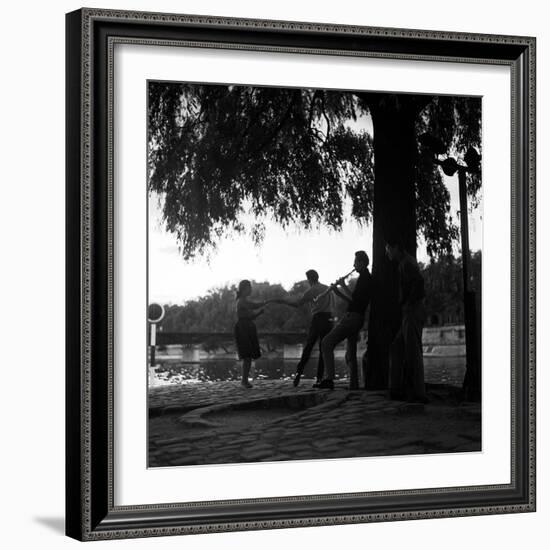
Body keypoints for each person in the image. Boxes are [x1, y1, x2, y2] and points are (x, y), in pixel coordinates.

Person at [317, 251, 373, 390]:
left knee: (326, 343)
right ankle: (353, 384)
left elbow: (355, 299)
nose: (353, 265)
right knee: (351, 353)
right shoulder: (364, 277)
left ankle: (329, 379)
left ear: (361, 262)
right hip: (356, 317)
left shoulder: (365, 278)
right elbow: (354, 301)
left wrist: (343, 285)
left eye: (355, 262)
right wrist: (338, 292)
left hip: (352, 318)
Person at [274, 269, 334, 387]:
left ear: (309, 279)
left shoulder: (311, 291)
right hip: (328, 319)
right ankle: (319, 378)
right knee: (324, 348)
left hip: (318, 319)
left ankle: (298, 374)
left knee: (309, 347)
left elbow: (297, 304)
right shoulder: (327, 288)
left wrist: (282, 301)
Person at [385, 239, 428, 403]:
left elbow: (419, 283)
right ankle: (397, 389)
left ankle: (418, 394)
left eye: (388, 248)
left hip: (412, 311)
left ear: (396, 247)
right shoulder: (405, 262)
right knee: (397, 348)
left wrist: (409, 304)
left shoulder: (406, 263)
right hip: (409, 311)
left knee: (413, 352)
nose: (387, 253)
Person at [234, 280, 268, 388]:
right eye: (249, 288)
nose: (251, 290)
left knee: (248, 355)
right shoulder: (242, 301)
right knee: (247, 355)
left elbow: (252, 315)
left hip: (247, 328)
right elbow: (253, 306)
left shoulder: (243, 301)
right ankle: (244, 381)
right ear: (244, 289)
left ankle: (245, 380)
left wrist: (260, 312)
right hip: (243, 329)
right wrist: (263, 304)